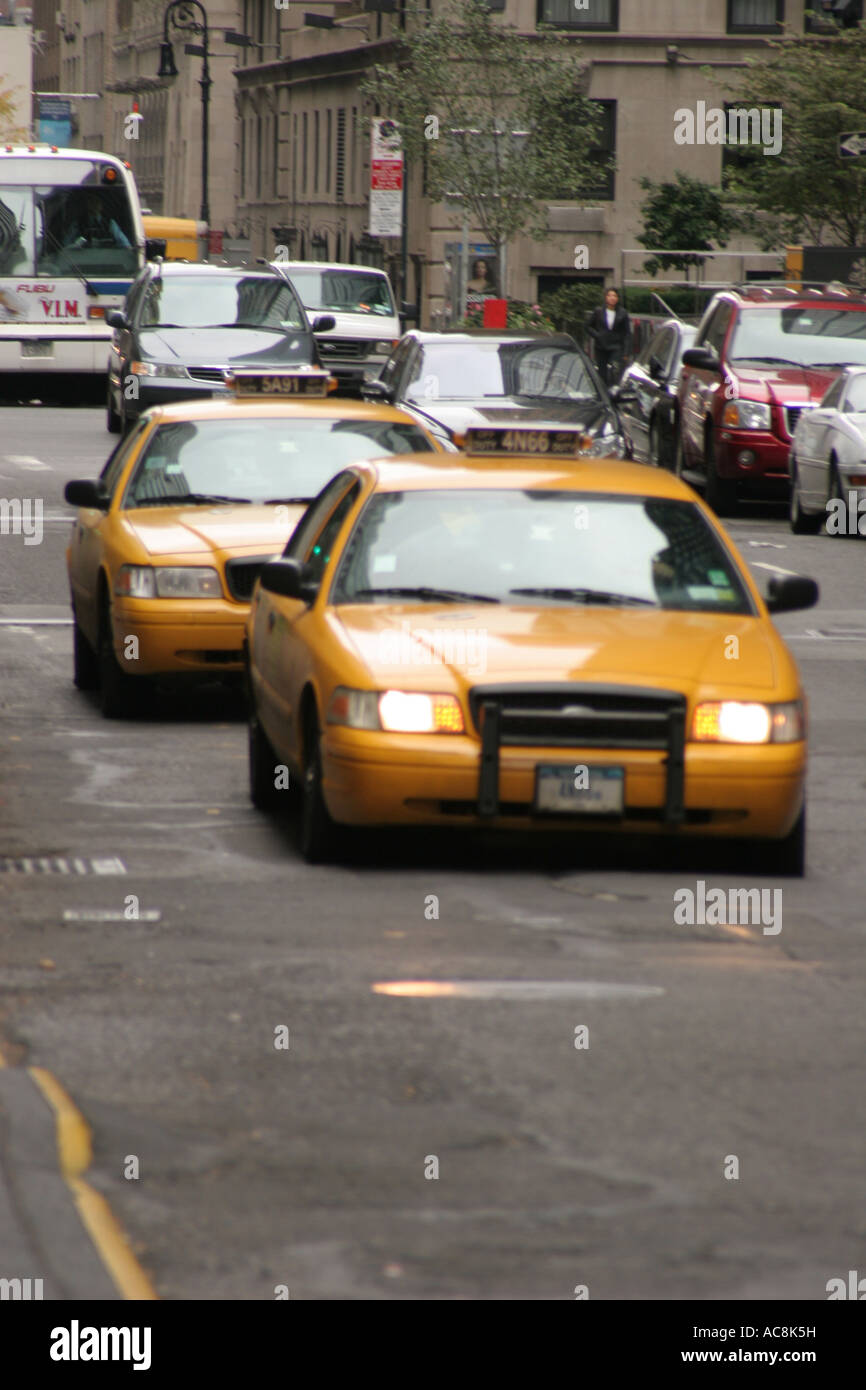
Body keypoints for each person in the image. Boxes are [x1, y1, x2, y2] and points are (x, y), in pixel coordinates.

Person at [587, 287, 630, 388]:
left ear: (618, 298)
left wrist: (626, 352)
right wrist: (597, 335)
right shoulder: (598, 311)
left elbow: (627, 333)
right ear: (606, 298)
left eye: (614, 296)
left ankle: (613, 389)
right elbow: (587, 326)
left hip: (616, 346)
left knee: (614, 369)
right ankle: (604, 391)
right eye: (609, 295)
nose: (612, 298)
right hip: (601, 346)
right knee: (602, 373)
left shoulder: (622, 313)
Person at [64, 194, 131, 249]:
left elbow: (124, 242)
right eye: (91, 202)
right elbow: (66, 244)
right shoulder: (78, 223)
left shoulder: (110, 222)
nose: (94, 204)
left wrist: (128, 248)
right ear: (87, 204)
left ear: (101, 205)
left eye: (97, 202)